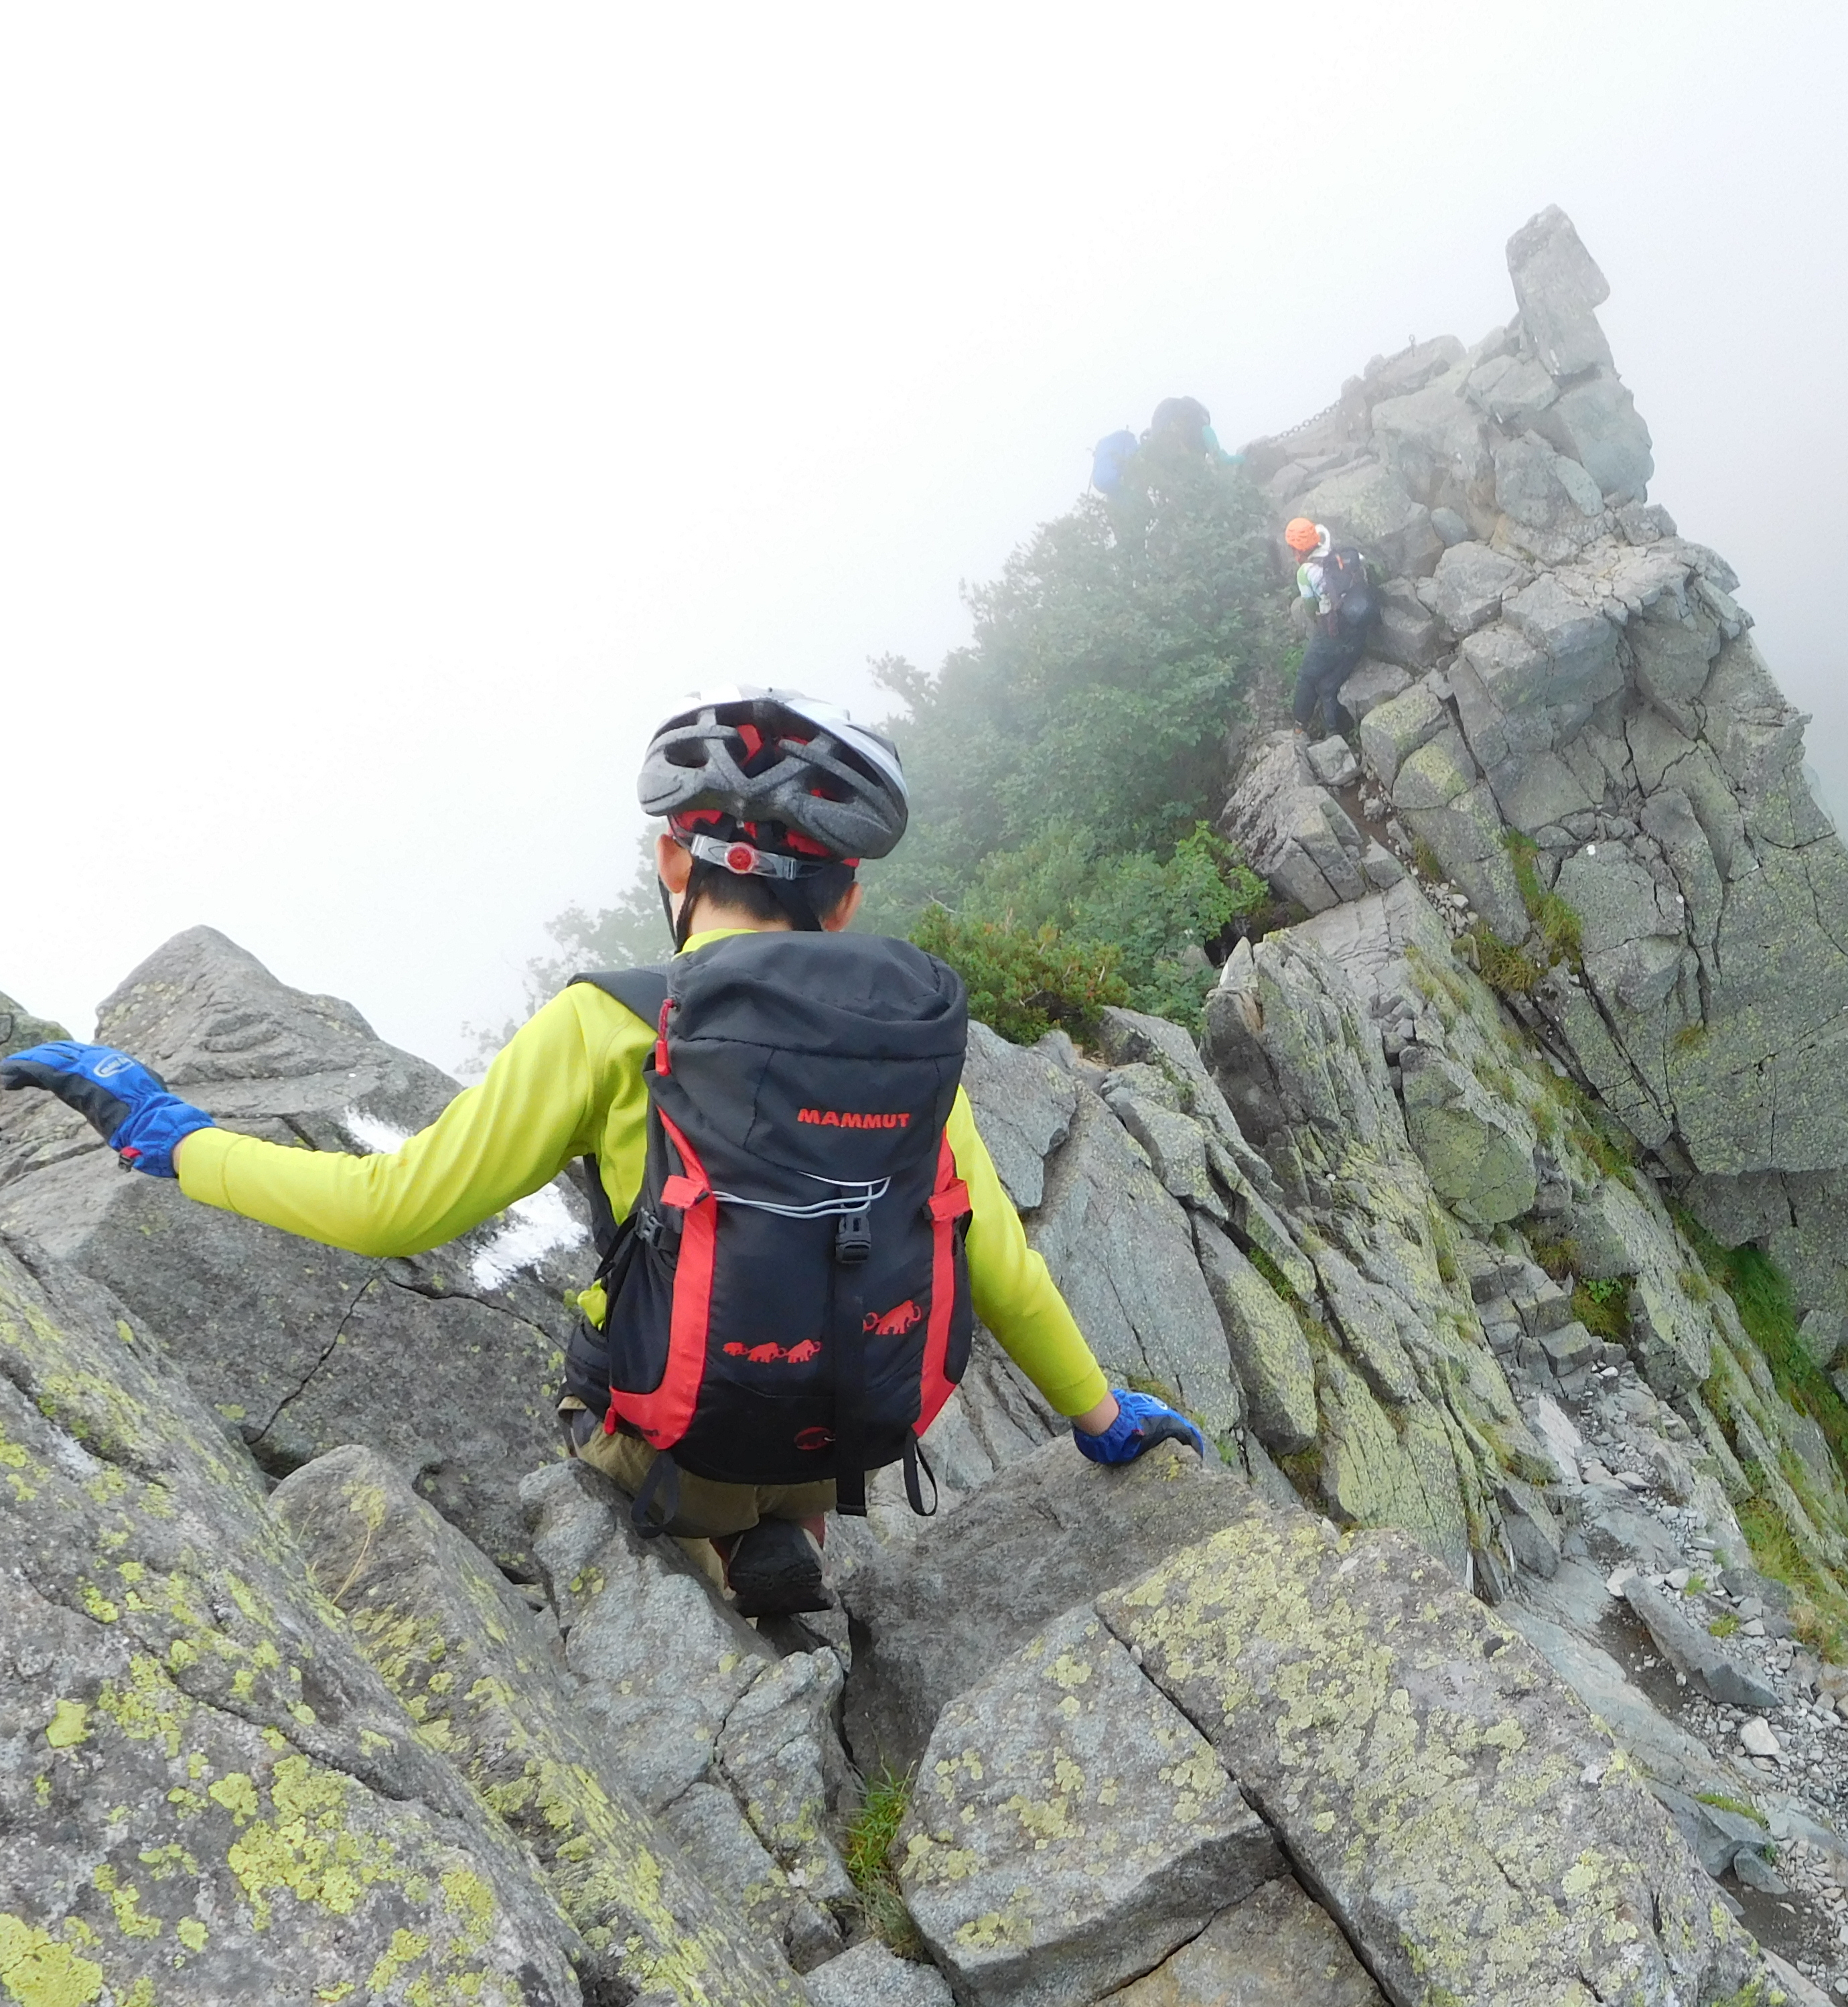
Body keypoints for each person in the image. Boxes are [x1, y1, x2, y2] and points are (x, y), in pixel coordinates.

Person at [1, 690, 1203, 1618]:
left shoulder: (610, 1021)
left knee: (605, 1328)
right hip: (860, 1429)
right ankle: (782, 1524)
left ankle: (708, 1527)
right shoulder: (905, 1036)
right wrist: (1099, 1416)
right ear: (840, 904)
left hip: (680, 1423)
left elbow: (396, 1209)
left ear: (674, 867)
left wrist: (180, 1142)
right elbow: (992, 1258)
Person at [1285, 516, 1376, 739]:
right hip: (1358, 634)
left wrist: (1319, 615)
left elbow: (1309, 608)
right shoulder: (1341, 556)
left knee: (1307, 677)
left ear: (1297, 551)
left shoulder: (1305, 572)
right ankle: (1334, 731)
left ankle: (1300, 726)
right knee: (1327, 685)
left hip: (1333, 635)